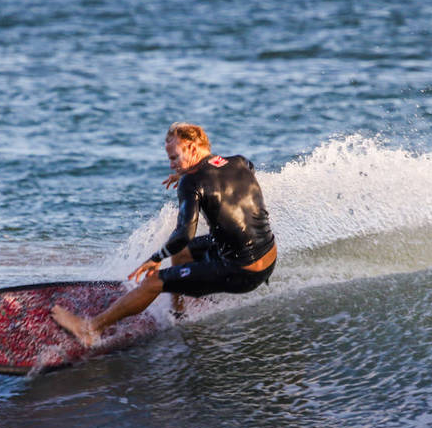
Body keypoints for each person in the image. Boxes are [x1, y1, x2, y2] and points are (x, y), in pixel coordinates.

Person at [52, 122, 277, 347]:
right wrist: (190, 172)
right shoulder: (238, 161)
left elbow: (184, 234)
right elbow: (247, 167)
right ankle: (179, 313)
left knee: (153, 281)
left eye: (174, 158)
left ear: (191, 148)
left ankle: (91, 328)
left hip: (242, 271)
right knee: (185, 253)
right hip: (268, 256)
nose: (172, 166)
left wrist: (155, 258)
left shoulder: (192, 181)